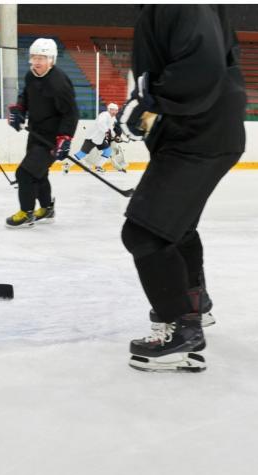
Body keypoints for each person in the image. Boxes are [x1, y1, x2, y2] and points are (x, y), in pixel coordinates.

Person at [117, 5, 246, 372]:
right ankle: (194, 306)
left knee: (144, 232)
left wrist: (151, 99)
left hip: (200, 134)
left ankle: (181, 331)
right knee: (175, 227)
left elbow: (202, 65)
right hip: (204, 131)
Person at [6, 38, 79, 228]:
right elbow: (26, 96)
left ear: (52, 60)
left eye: (42, 58)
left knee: (24, 174)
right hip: (36, 133)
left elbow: (71, 113)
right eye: (34, 57)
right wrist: (19, 110)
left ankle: (27, 212)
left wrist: (65, 139)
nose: (37, 62)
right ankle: (47, 208)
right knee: (39, 174)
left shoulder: (59, 83)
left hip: (52, 139)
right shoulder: (31, 76)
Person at [63, 102, 120, 174]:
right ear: (109, 109)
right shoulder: (104, 115)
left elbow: (111, 128)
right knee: (82, 153)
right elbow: (101, 123)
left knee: (108, 151)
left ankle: (98, 166)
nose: (114, 111)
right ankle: (67, 165)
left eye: (116, 110)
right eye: (113, 110)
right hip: (92, 138)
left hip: (99, 139)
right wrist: (107, 131)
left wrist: (114, 135)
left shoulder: (113, 118)